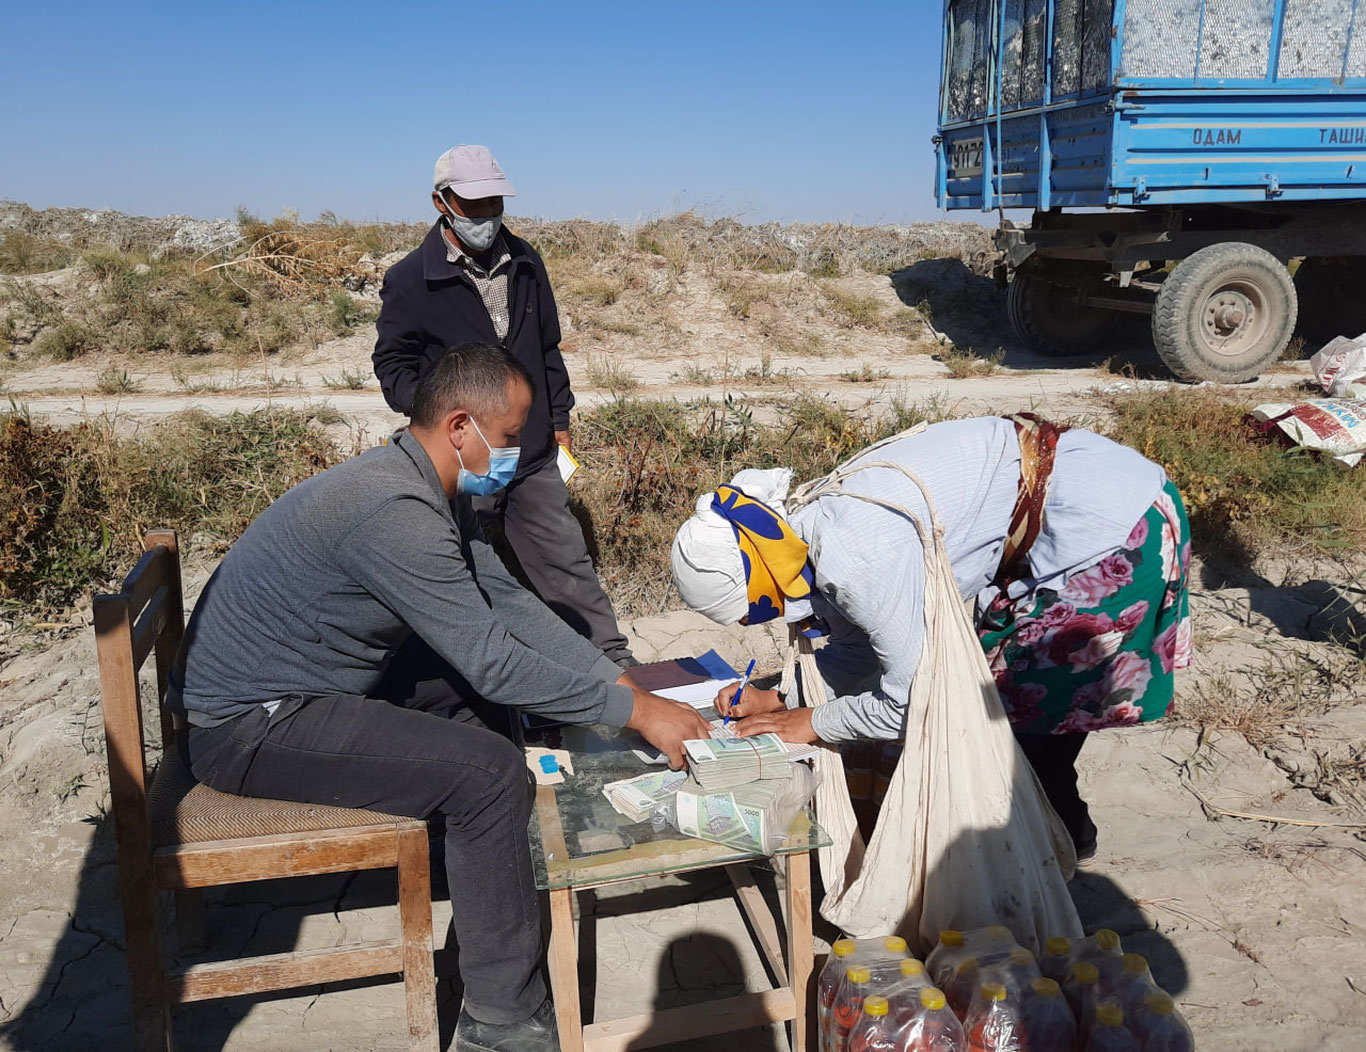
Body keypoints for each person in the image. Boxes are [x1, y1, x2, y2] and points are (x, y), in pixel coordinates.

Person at [168, 343, 711, 1052]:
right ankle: (501, 1020)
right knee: (487, 774)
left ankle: (495, 892)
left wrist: (616, 681)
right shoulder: (395, 513)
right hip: (251, 725)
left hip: (306, 685)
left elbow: (504, 600)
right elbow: (493, 661)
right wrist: (637, 713)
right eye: (511, 436)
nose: (516, 452)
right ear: (462, 426)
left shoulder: (422, 484)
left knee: (483, 717)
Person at [669, 416, 1192, 861]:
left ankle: (1057, 850)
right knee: (1004, 710)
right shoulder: (805, 530)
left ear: (760, 585)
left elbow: (912, 700)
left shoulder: (856, 557)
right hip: (1071, 505)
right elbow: (861, 645)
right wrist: (785, 697)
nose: (752, 625)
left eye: (747, 615)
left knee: (1012, 719)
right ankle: (1047, 837)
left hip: (1113, 527)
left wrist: (812, 721)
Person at [373, 143, 636, 667]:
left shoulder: (526, 261)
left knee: (568, 567)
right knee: (454, 568)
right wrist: (436, 419)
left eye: (495, 202)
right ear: (440, 202)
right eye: (474, 205)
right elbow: (393, 366)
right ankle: (471, 674)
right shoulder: (410, 280)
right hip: (461, 458)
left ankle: (610, 667)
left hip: (532, 450)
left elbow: (546, 348)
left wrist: (558, 421)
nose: (487, 216)